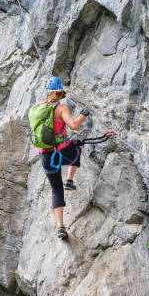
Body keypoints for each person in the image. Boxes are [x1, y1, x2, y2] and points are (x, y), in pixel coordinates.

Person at [39, 76, 89, 239]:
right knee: (78, 145)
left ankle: (60, 227)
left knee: (55, 189)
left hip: (46, 155)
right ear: (61, 93)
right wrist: (83, 114)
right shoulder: (61, 108)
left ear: (47, 93)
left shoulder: (38, 108)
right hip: (62, 152)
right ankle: (69, 180)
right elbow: (74, 125)